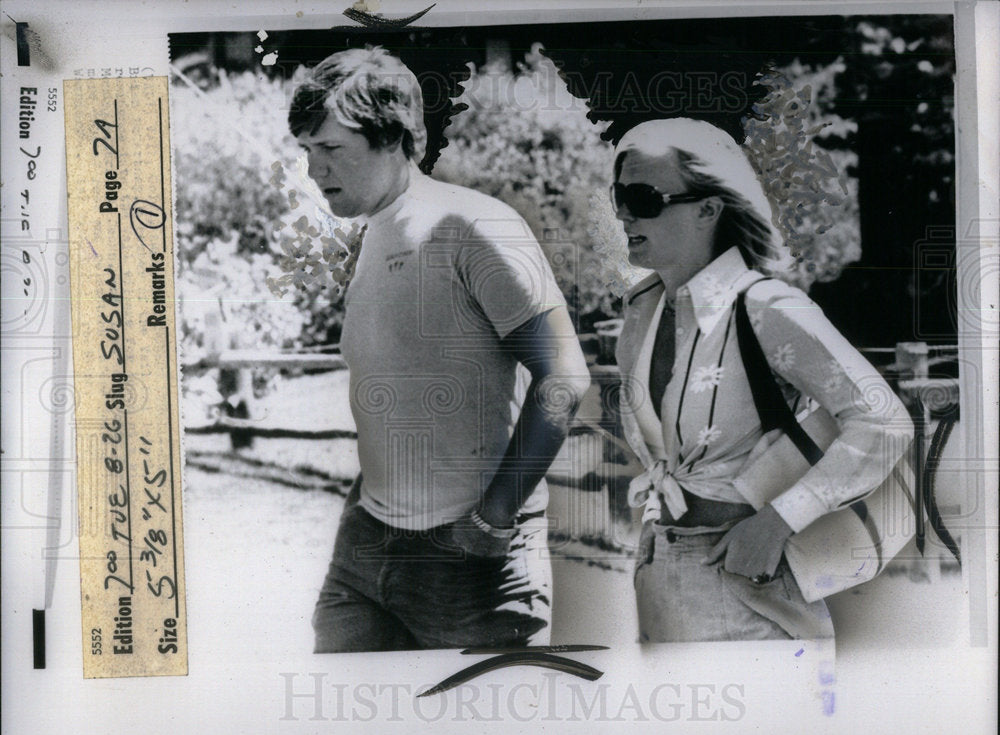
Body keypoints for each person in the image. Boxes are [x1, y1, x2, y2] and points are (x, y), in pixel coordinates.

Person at [290, 46, 590, 652]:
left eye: (332, 150)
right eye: (307, 151)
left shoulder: (472, 226)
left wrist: (494, 517)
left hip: (470, 555)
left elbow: (564, 379)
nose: (314, 170)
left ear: (395, 138)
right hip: (367, 544)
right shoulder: (378, 232)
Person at [610, 117, 913, 642]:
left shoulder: (767, 306)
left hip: (755, 585)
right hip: (660, 571)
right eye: (618, 196)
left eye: (643, 196)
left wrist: (779, 520)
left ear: (708, 208)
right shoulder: (641, 311)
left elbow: (883, 421)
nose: (625, 213)